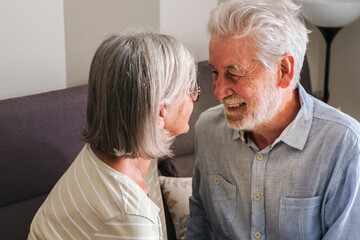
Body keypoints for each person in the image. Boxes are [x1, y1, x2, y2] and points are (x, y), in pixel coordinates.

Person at [185, 0, 360, 239]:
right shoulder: (208, 129)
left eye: (234, 74)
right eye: (215, 73)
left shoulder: (344, 144)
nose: (218, 92)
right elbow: (200, 226)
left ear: (284, 71)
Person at [28, 30, 199, 240]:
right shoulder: (130, 217)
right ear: (159, 112)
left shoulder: (117, 152)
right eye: (191, 89)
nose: (194, 96)